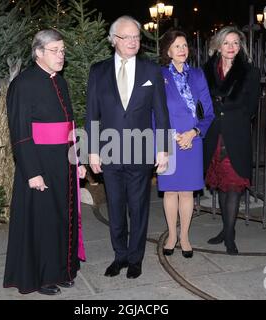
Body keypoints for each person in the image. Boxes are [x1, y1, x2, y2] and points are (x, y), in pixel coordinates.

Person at [85, 16, 170, 279]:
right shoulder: (98, 71)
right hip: (109, 151)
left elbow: (161, 112)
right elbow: (92, 114)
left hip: (141, 150)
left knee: (138, 207)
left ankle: (136, 258)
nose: (134, 41)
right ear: (113, 41)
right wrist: (92, 150)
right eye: (127, 37)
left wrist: (163, 149)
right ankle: (119, 256)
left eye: (137, 36)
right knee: (116, 207)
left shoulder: (151, 70)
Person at [4, 29, 87, 295]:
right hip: (39, 163)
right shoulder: (23, 84)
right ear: (39, 52)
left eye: (63, 51)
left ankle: (62, 270)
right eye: (55, 50)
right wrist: (32, 172)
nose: (61, 56)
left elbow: (70, 126)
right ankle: (42, 277)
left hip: (63, 162)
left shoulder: (59, 82)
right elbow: (20, 132)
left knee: (62, 218)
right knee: (43, 221)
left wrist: (78, 160)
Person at [202, 26, 261, 255]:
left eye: (236, 43)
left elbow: (251, 108)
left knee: (234, 186)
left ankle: (229, 235)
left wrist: (230, 115)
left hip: (236, 136)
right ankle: (226, 229)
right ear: (218, 45)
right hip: (214, 136)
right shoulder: (206, 71)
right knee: (221, 186)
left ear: (241, 46)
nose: (231, 47)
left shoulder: (250, 72)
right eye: (226, 43)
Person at [157, 30, 214, 259]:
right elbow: (155, 112)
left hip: (193, 141)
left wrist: (193, 133)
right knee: (170, 191)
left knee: (187, 192)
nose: (182, 49)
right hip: (169, 141)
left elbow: (208, 112)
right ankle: (172, 235)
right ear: (168, 51)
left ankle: (185, 237)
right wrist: (169, 137)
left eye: (185, 45)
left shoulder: (198, 75)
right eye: (177, 46)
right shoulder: (159, 75)